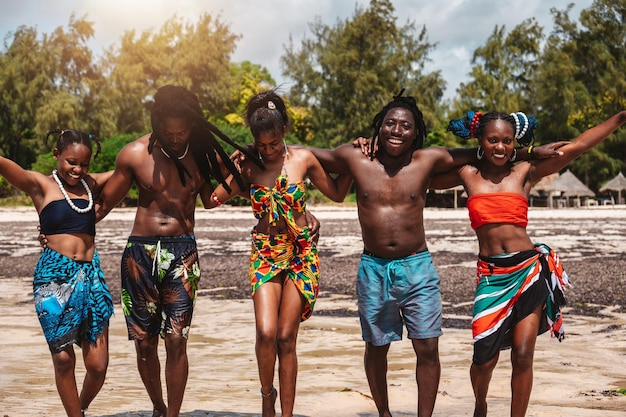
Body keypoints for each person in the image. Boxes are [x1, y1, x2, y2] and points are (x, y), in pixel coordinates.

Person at [296, 90, 564, 417]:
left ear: (416, 133)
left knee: (427, 347)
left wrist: (530, 150)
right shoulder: (355, 158)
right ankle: (384, 414)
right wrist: (260, 151)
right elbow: (306, 156)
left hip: (417, 267)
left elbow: (483, 152)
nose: (397, 130)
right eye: (390, 124)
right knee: (376, 348)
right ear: (378, 127)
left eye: (405, 126)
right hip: (373, 268)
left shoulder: (428, 159)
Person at [93, 85, 266, 417]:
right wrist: (59, 229)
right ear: (157, 123)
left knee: (176, 340)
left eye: (181, 131)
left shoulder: (203, 154)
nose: (175, 137)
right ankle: (158, 407)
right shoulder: (133, 154)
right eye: (168, 132)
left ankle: (173, 414)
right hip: (139, 254)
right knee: (144, 344)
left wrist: (248, 177)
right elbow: (102, 207)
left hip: (182, 253)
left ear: (192, 125)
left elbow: (217, 196)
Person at [445, 109, 626, 417]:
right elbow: (420, 165)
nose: (500, 148)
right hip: (491, 278)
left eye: (507, 141)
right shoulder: (466, 173)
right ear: (480, 140)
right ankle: (480, 405)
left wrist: (621, 117)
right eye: (492, 140)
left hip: (528, 272)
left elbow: (579, 146)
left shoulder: (525, 172)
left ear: (515, 142)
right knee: (483, 361)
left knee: (523, 355)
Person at [208, 89, 352, 417]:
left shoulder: (303, 159)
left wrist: (357, 159)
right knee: (265, 331)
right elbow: (213, 199)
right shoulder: (247, 164)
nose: (268, 151)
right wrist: (227, 166)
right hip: (265, 251)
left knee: (286, 337)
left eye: (273, 144)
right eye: (262, 145)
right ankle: (266, 394)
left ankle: (286, 414)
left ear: (284, 131)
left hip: (301, 253)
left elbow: (338, 193)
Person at [1, 129, 113, 417]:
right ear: (56, 155)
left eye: (84, 164)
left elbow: (128, 166)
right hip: (53, 278)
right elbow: (4, 165)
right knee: (64, 360)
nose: (77, 169)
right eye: (71, 162)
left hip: (91, 277)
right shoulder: (41, 185)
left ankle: (81, 407)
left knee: (98, 365)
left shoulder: (90, 184)